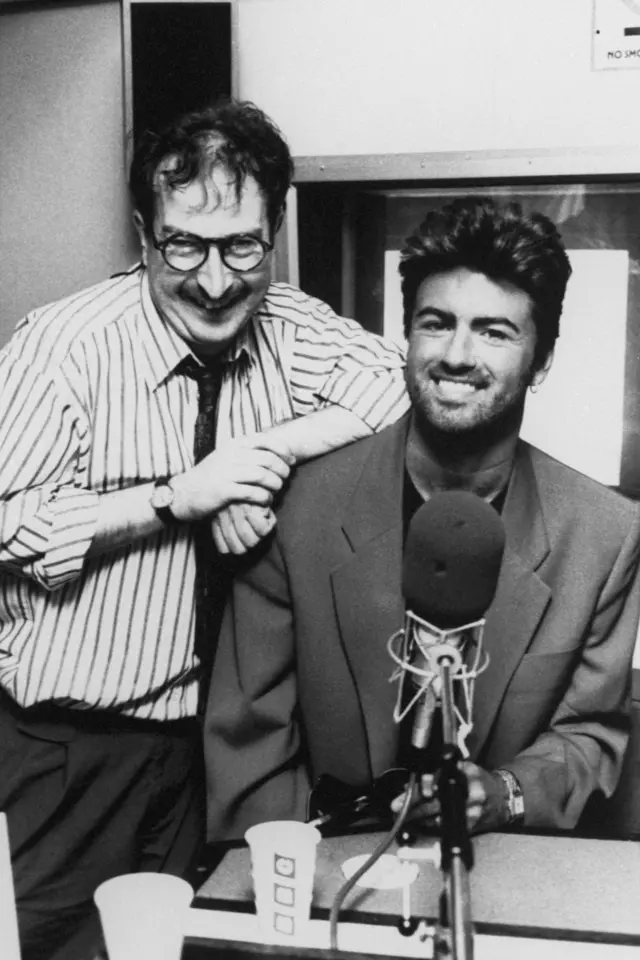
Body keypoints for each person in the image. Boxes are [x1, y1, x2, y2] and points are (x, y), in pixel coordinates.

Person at [0, 100, 408, 958]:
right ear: (145, 234)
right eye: (184, 245)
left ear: (276, 231)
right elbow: (9, 526)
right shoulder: (63, 348)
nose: (216, 281)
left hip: (212, 754)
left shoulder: (296, 331)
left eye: (242, 247)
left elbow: (406, 390)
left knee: (208, 949)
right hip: (71, 750)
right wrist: (177, 499)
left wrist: (265, 461)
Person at [204, 196, 640, 841]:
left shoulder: (605, 534)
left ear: (542, 361)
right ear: (405, 336)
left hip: (501, 871)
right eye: (436, 323)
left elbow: (588, 735)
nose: (458, 355)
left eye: (495, 332)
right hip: (324, 870)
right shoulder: (298, 511)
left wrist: (504, 796)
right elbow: (250, 740)